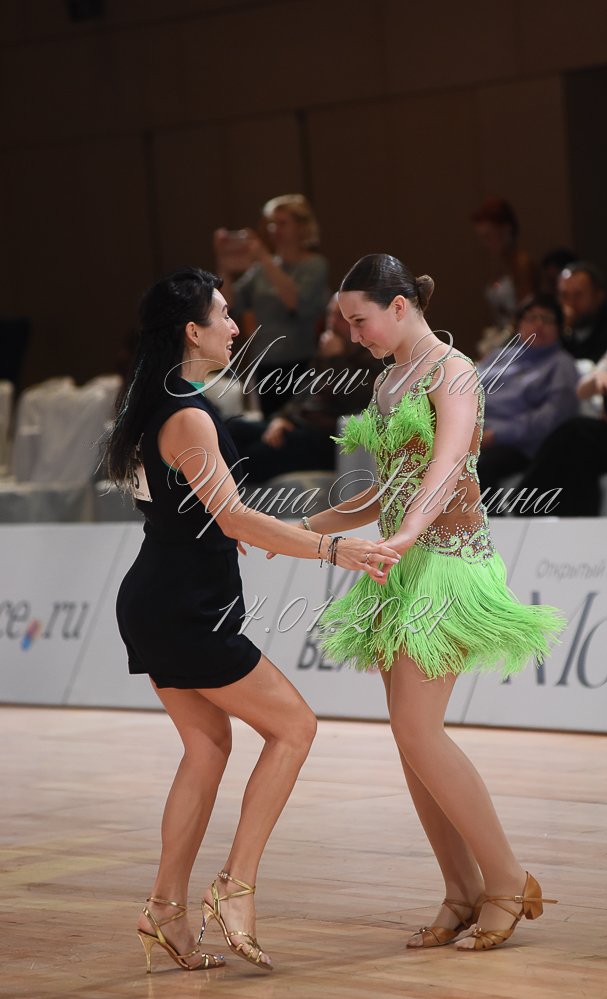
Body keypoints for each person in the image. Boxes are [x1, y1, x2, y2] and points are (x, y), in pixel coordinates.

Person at [107, 267, 400, 974]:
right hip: (185, 609)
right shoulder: (188, 415)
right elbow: (235, 517)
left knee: (207, 747)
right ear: (192, 331)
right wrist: (336, 550)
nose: (236, 326)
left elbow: (208, 515)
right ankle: (234, 887)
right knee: (294, 727)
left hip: (157, 598)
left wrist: (266, 529)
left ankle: (165, 909)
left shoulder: (155, 402)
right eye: (224, 314)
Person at [289, 254, 563, 952]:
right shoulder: (388, 382)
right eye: (347, 324)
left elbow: (444, 467)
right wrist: (303, 530)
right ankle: (461, 889)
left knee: (418, 732)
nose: (353, 335)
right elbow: (386, 487)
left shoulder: (454, 370)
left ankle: (508, 880)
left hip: (448, 566)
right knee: (410, 738)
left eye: (360, 321)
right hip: (401, 566)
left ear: (400, 305)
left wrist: (410, 529)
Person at [517, 268, 607, 516]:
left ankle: (521, 506)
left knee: (578, 435)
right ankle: (571, 521)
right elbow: (582, 391)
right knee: (577, 451)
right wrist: (599, 378)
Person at [227, 293, 382, 484]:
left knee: (248, 458)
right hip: (300, 426)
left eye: (341, 316)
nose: (332, 322)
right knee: (234, 429)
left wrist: (336, 359)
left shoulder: (373, 353)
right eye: (330, 314)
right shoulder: (328, 348)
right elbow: (303, 392)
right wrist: (283, 417)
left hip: (326, 438)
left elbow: (352, 398)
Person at [213, 193, 329, 418]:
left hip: (301, 361)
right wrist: (223, 264)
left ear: (301, 227)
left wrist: (265, 258)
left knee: (297, 426)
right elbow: (229, 303)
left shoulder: (314, 265)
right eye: (272, 224)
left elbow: (297, 302)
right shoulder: (262, 269)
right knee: (269, 425)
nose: (274, 230)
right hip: (266, 361)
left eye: (282, 223)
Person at [476, 294, 579, 494]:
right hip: (475, 433)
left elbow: (551, 418)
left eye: (547, 319)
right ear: (519, 324)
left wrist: (495, 435)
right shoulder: (499, 356)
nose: (539, 325)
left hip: (520, 444)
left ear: (559, 328)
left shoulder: (561, 364)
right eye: (532, 318)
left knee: (475, 468)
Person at [471, 197, 538, 358]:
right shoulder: (500, 266)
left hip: (522, 344)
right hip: (504, 339)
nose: (485, 244)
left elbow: (526, 313)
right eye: (482, 238)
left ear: (506, 230)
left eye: (489, 236)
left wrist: (499, 343)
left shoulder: (522, 265)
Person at [557, 261, 607, 361]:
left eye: (578, 295)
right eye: (564, 295)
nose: (570, 304)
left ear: (598, 296)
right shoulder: (555, 332)